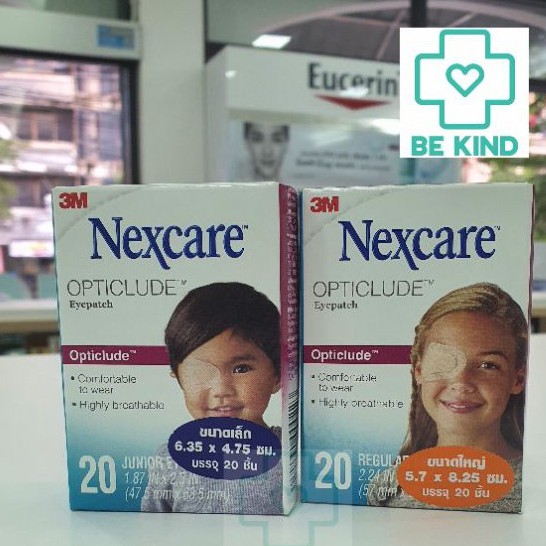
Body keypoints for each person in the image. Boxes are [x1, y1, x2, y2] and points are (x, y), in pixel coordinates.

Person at [367, 282, 527, 512]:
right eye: (443, 361)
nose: (461, 382)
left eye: (488, 365)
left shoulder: (529, 486)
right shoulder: (386, 488)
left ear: (518, 379)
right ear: (419, 370)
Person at [141, 282, 283, 514]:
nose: (221, 390)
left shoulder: (293, 455)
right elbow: (151, 527)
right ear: (178, 377)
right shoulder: (168, 460)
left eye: (241, 369)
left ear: (278, 376)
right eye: (201, 372)